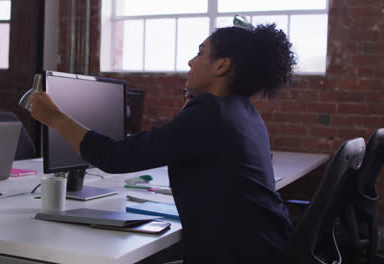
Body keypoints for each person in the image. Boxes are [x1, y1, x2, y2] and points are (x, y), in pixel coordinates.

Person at [30, 24, 296, 263]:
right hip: (267, 247)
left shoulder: (211, 113)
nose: (191, 61)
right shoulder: (242, 111)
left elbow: (114, 157)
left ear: (221, 65)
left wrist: (55, 118)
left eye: (201, 53)